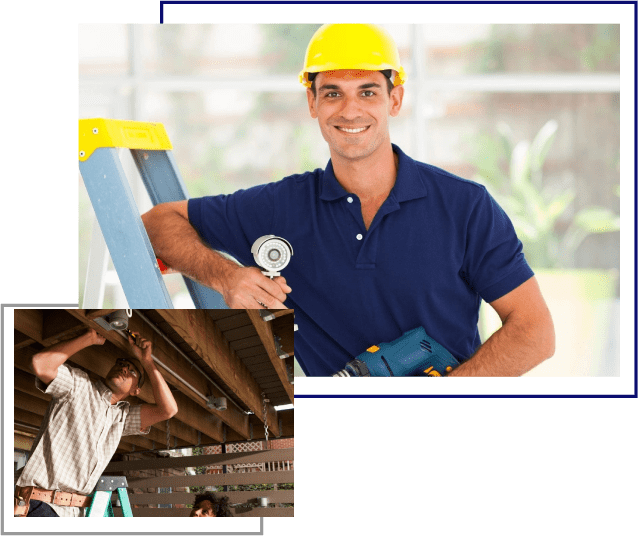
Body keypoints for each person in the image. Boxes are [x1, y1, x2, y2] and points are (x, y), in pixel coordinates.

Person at [141, 23, 555, 377]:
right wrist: (226, 277)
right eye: (333, 93)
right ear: (313, 102)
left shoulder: (465, 207)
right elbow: (157, 223)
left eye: (368, 92)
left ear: (395, 99)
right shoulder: (279, 207)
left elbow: (534, 332)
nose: (350, 110)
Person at [14, 328, 178, 516]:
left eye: (132, 371)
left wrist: (147, 361)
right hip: (39, 505)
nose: (124, 368)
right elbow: (40, 364)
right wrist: (88, 338)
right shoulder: (78, 386)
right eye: (121, 363)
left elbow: (169, 410)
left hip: (74, 514)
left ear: (136, 390)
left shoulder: (121, 418)